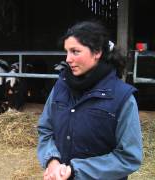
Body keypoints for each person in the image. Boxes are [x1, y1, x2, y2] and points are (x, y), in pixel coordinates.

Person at [37, 21, 143, 180]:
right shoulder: (61, 86)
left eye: (75, 51)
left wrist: (75, 170)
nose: (68, 59)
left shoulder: (122, 97)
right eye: (67, 52)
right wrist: (52, 160)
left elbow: (129, 156)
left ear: (97, 52)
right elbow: (45, 129)